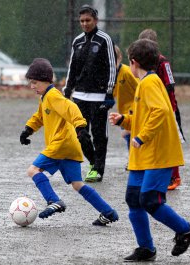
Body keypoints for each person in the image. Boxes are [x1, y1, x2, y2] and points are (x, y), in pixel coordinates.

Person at [109, 39, 190, 262]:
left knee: (150, 200)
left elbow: (159, 113)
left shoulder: (149, 83)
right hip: (145, 155)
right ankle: (146, 249)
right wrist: (124, 120)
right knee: (133, 198)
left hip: (158, 154)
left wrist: (141, 137)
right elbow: (144, 117)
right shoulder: (147, 82)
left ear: (133, 62)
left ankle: (185, 230)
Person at [20, 58, 119, 226]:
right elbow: (39, 116)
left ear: (45, 80)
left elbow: (71, 107)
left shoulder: (52, 95)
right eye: (31, 82)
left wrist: (81, 127)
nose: (32, 86)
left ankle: (54, 201)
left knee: (32, 170)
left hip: (60, 144)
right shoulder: (45, 97)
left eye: (35, 82)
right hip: (70, 147)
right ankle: (108, 212)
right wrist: (28, 130)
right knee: (77, 184)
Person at [63, 4, 116, 182]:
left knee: (100, 134)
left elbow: (111, 67)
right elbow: (72, 68)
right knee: (80, 133)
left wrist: (109, 93)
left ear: (95, 20)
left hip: (99, 96)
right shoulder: (77, 41)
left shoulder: (105, 40)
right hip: (79, 97)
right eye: (82, 21)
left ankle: (98, 170)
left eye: (88, 20)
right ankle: (94, 162)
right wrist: (67, 91)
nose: (85, 24)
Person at [138, 29, 184, 190]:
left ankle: (175, 176)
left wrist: (165, 103)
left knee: (172, 141)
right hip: (149, 110)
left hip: (168, 108)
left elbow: (170, 85)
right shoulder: (139, 65)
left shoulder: (163, 62)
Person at [113, 44, 138, 152]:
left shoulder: (127, 72)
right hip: (123, 112)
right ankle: (132, 160)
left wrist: (134, 111)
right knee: (129, 139)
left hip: (134, 111)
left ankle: (135, 162)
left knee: (133, 137)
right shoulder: (111, 75)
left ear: (120, 57)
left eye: (114, 59)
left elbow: (141, 89)